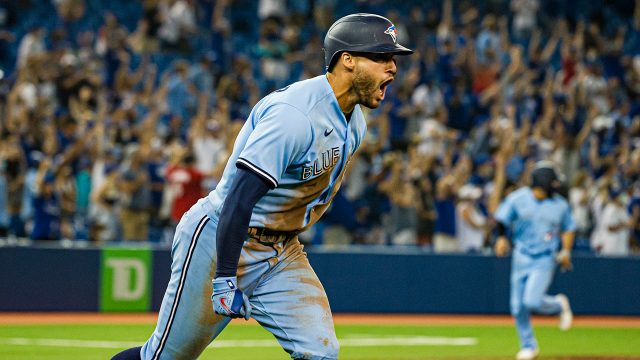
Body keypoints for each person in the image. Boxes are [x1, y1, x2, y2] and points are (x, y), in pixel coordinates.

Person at [112, 13, 412, 360]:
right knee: (165, 358)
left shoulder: (355, 119)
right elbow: (240, 197)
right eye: (381, 57)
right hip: (221, 238)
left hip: (281, 250)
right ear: (347, 60)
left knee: (321, 352)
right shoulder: (294, 115)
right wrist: (225, 276)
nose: (392, 67)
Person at [494, 161, 576, 360]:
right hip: (521, 255)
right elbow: (502, 218)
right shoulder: (518, 199)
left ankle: (558, 305)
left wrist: (565, 251)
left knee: (531, 301)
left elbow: (569, 228)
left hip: (544, 257)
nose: (556, 186)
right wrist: (502, 238)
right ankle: (528, 346)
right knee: (517, 306)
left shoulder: (559, 205)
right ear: (544, 182)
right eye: (553, 182)